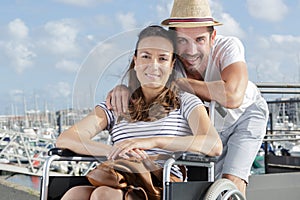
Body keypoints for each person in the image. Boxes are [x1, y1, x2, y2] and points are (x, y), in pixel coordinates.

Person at [106, 0, 269, 196]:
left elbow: (233, 96)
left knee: (231, 180)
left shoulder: (228, 47)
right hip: (211, 123)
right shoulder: (170, 60)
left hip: (245, 115)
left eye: (200, 39)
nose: (191, 51)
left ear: (213, 37)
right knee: (202, 183)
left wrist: (183, 84)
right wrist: (123, 88)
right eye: (182, 40)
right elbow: (143, 78)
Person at [56, 25, 222, 200]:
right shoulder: (117, 104)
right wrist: (112, 151)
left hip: (161, 185)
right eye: (146, 56)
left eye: (162, 58)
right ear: (136, 61)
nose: (154, 65)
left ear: (172, 64)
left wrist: (152, 141)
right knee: (75, 194)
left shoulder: (185, 102)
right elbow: (66, 139)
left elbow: (213, 144)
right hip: (119, 176)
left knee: (103, 194)